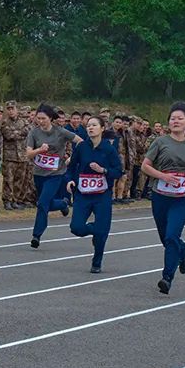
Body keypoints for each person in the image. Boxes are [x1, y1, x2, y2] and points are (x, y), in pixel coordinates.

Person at [140, 101, 185, 294]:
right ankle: (184, 251)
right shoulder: (160, 142)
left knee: (172, 235)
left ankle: (167, 278)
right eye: (172, 118)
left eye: (180, 118)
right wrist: (162, 176)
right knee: (166, 238)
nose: (175, 121)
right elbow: (145, 166)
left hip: (182, 199)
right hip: (160, 197)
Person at [66, 116, 122, 273]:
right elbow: (71, 168)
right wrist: (70, 181)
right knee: (76, 227)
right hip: (83, 194)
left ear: (102, 128)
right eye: (89, 125)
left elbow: (118, 171)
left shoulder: (109, 149)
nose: (90, 128)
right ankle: (94, 229)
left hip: (102, 195)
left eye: (94, 125)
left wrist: (103, 170)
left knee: (102, 232)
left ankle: (97, 261)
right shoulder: (81, 147)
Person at [25, 103, 82, 248]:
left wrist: (73, 158)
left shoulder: (60, 131)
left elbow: (80, 141)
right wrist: (39, 150)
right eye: (38, 118)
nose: (40, 121)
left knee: (42, 203)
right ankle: (63, 203)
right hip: (39, 173)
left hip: (56, 174)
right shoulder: (34, 132)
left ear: (50, 118)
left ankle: (36, 235)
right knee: (45, 203)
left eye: (43, 118)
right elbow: (28, 154)